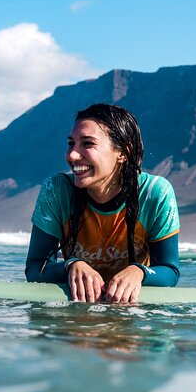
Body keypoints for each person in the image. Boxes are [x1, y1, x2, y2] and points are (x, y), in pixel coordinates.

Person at [25, 103, 180, 303]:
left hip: (133, 314)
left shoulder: (154, 193)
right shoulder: (56, 190)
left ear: (123, 152)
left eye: (88, 144)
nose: (72, 155)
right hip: (78, 312)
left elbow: (170, 270)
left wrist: (139, 272)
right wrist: (71, 265)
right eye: (71, 143)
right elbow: (35, 269)